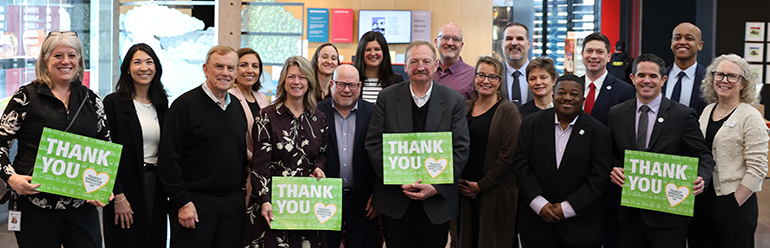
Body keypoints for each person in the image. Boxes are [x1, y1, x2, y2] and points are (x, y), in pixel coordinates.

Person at [0, 30, 111, 247]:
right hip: (35, 207)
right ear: (46, 59)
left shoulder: (92, 100)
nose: (65, 61)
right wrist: (12, 179)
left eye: (72, 55)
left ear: (79, 59)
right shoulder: (25, 97)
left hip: (82, 209)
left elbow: (104, 146)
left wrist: (101, 187)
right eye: (58, 55)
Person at [365, 40, 470, 248]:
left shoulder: (453, 100)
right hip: (396, 200)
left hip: (435, 203)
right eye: (414, 61)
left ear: (435, 65)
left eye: (426, 61)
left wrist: (436, 187)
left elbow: (461, 148)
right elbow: (373, 143)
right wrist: (396, 179)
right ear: (405, 66)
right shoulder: (387, 97)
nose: (420, 67)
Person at [608, 54, 715, 248]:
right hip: (628, 216)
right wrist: (613, 168)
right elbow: (609, 153)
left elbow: (703, 155)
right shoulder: (616, 113)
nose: (647, 80)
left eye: (653, 76)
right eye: (641, 75)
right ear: (632, 79)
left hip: (668, 219)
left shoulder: (683, 115)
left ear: (663, 80)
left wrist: (702, 178)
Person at [159, 45, 248, 248]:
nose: (225, 73)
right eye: (219, 66)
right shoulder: (184, 106)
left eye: (231, 68)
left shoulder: (237, 107)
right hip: (194, 205)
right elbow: (168, 159)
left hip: (232, 206)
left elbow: (239, 155)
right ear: (206, 69)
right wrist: (182, 202)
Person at [513, 73, 612, 248]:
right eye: (561, 93)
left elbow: (598, 179)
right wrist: (540, 204)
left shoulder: (599, 133)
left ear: (582, 100)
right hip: (536, 226)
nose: (567, 98)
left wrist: (566, 208)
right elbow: (521, 166)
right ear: (553, 96)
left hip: (581, 230)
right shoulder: (530, 124)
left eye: (574, 94)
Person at [246, 56, 328, 248]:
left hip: (307, 204)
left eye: (302, 77)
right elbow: (260, 164)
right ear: (283, 81)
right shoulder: (266, 116)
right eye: (291, 77)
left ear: (309, 81)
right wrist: (265, 200)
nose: (297, 82)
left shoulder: (319, 118)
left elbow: (322, 155)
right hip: (273, 205)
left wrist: (318, 168)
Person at [688, 54, 768, 248]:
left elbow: (758, 168)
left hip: (734, 205)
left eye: (732, 76)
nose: (724, 80)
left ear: (743, 84)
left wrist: (733, 203)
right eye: (719, 75)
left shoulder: (751, 116)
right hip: (703, 202)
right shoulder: (708, 111)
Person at [103, 43, 169, 248]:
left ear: (156, 67)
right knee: (126, 240)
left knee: (154, 239)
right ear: (127, 69)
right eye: (137, 62)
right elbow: (106, 152)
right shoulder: (113, 103)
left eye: (149, 62)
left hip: (157, 185)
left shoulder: (162, 103)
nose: (144, 68)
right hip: (125, 186)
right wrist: (118, 196)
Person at [456, 56, 520, 248]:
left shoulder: (508, 111)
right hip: (464, 191)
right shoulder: (465, 108)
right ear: (474, 78)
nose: (486, 81)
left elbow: (507, 157)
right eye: (481, 75)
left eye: (492, 77)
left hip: (495, 191)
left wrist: (481, 185)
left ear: (499, 82)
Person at [317, 64, 378, 248]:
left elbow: (382, 156)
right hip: (324, 198)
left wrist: (378, 195)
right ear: (331, 85)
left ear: (360, 87)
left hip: (364, 200)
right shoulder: (316, 112)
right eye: (341, 84)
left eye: (352, 85)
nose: (346, 90)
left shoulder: (374, 113)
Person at [580, 32, 635, 126]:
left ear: (609, 57)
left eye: (599, 52)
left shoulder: (624, 91)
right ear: (582, 54)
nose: (593, 56)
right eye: (589, 51)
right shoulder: (574, 85)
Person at [663, 22, 708, 115]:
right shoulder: (659, 77)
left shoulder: (709, 79)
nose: (682, 42)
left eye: (689, 38)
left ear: (700, 45)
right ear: (671, 43)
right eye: (677, 38)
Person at [354, 31, 404, 103]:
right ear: (361, 53)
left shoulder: (396, 81)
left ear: (384, 52)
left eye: (377, 49)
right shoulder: (353, 81)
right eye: (368, 50)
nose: (373, 53)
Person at [433, 23, 475, 100]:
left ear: (461, 46)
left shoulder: (473, 75)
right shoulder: (428, 71)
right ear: (436, 42)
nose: (450, 43)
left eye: (455, 39)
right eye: (445, 38)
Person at [500, 22, 534, 108]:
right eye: (509, 38)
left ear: (528, 44)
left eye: (519, 39)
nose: (514, 43)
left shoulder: (542, 76)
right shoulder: (495, 75)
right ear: (502, 44)